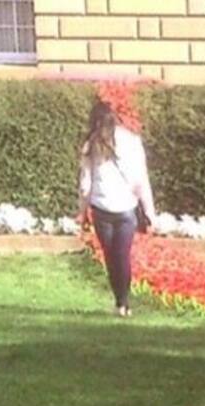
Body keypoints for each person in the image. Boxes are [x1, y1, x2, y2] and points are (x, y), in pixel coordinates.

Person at [77, 98, 158, 317]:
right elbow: (141, 180)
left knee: (110, 256)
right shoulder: (132, 141)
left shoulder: (91, 145)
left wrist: (82, 213)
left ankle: (119, 301)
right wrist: (150, 212)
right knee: (122, 255)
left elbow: (85, 185)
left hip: (101, 208)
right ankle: (124, 302)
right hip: (126, 207)